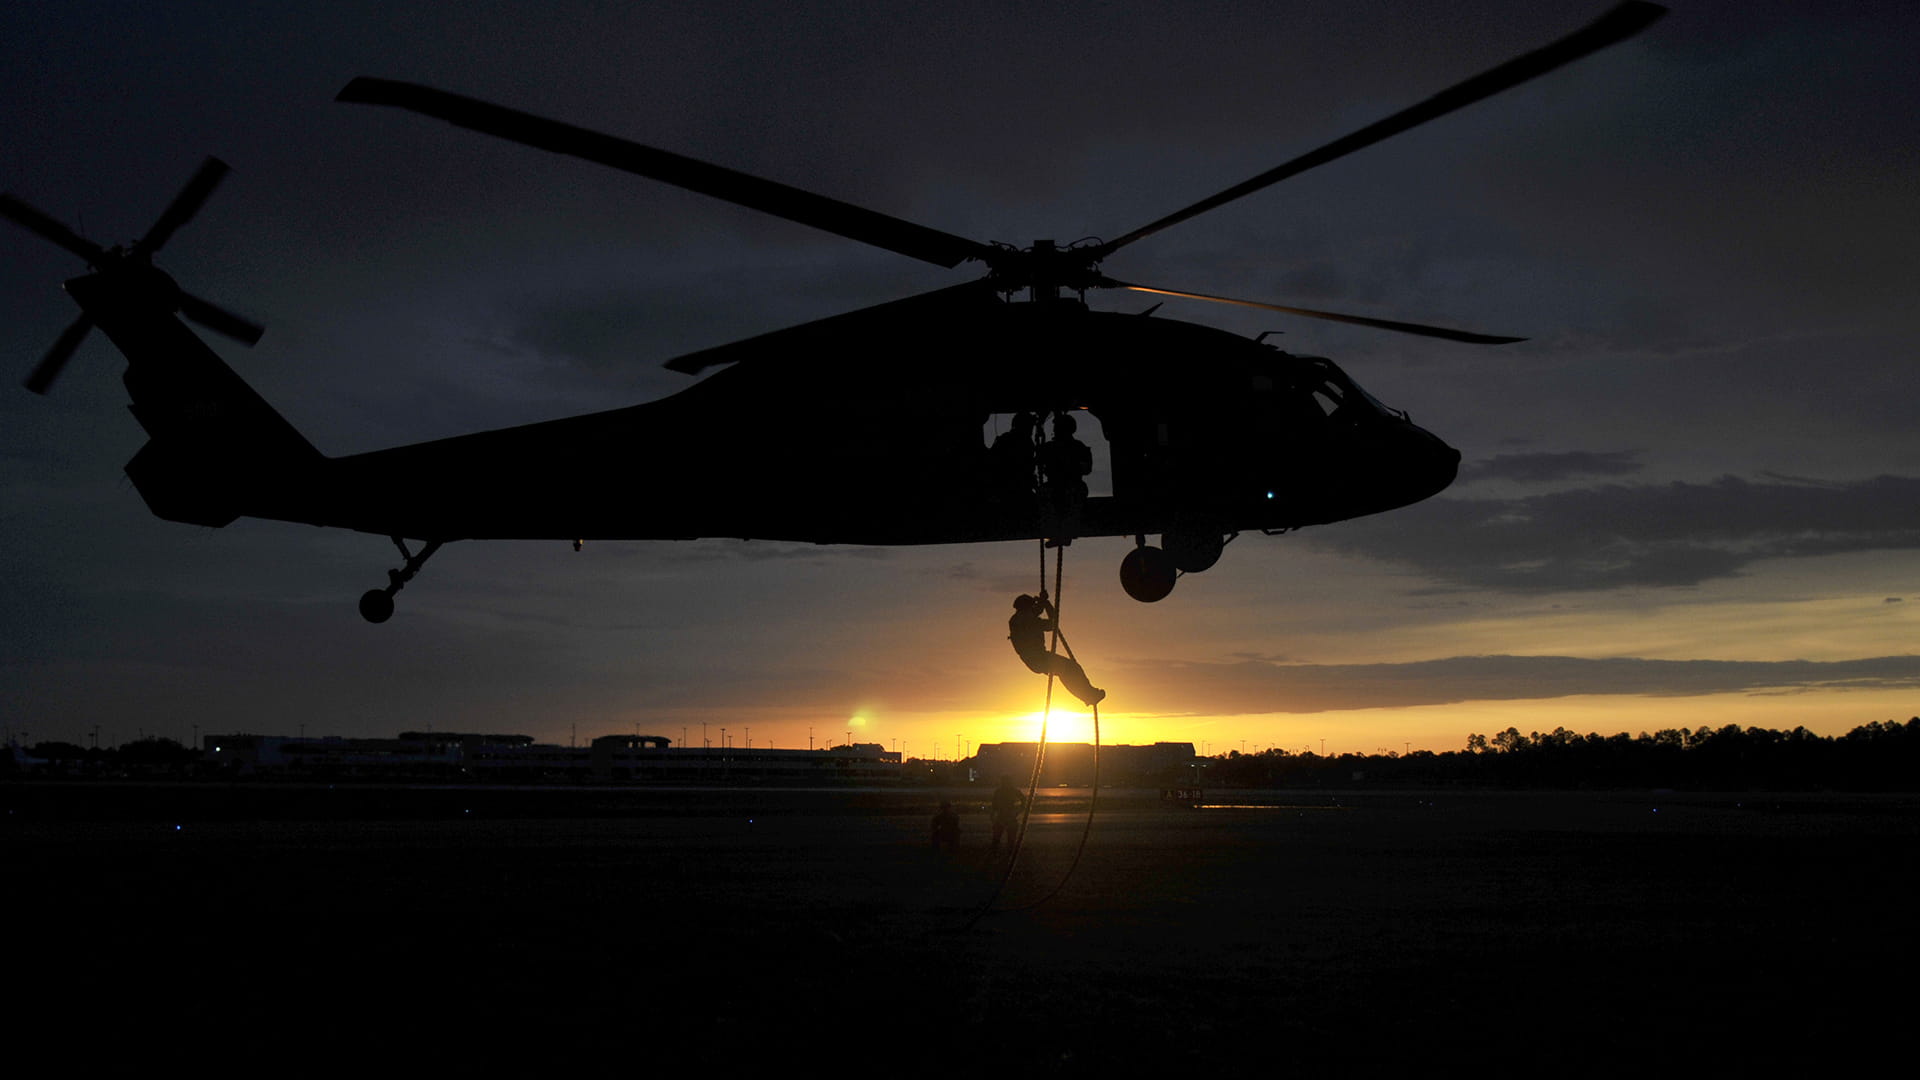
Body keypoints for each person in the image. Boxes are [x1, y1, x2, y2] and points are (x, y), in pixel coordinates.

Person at [1007, 592, 1105, 706]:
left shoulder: (1017, 619)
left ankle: (1089, 696)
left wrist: (1042, 602)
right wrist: (1046, 604)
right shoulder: (1027, 620)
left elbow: (1035, 611)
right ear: (1026, 608)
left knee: (1067, 670)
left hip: (1035, 659)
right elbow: (1053, 624)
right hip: (1040, 658)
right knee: (1071, 668)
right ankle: (1089, 696)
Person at [989, 775, 1025, 853]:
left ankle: (1006, 853)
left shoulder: (1011, 791)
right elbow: (994, 805)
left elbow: (1024, 801)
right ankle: (997, 853)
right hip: (1002, 817)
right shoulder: (999, 791)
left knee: (1009, 840)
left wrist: (1018, 811)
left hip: (1008, 817)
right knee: (997, 839)